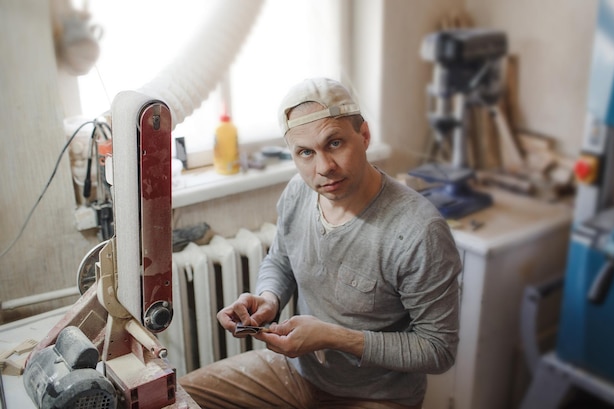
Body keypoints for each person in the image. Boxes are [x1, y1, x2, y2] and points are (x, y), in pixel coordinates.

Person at [179, 77, 462, 408]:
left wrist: (332, 336)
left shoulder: (419, 231)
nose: (324, 168)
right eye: (305, 153)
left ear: (365, 136)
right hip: (298, 373)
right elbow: (281, 260)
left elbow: (438, 349)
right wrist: (268, 299)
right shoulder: (298, 193)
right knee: (178, 397)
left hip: (375, 396)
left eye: (335, 143)